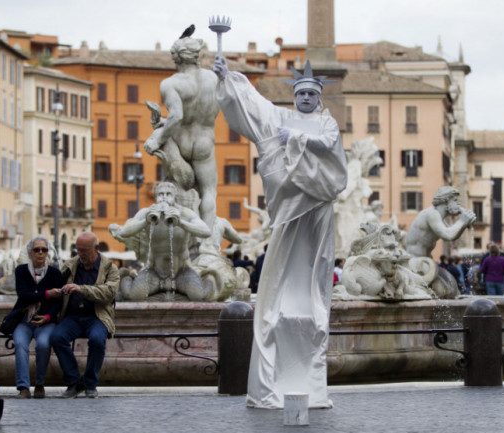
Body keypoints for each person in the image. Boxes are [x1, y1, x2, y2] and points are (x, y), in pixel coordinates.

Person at [214, 56, 348, 408]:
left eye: (310, 93)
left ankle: (309, 381)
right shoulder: (280, 118)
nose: (305, 97)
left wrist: (297, 137)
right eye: (300, 92)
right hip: (290, 208)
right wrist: (228, 78)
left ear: (318, 97)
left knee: (313, 263)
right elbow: (254, 107)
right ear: (295, 96)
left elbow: (331, 147)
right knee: (282, 266)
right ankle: (274, 379)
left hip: (316, 204)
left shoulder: (326, 124)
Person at [143, 36, 219, 230]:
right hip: (204, 142)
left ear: (175, 58)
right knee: (209, 192)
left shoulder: (171, 84)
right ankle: (207, 246)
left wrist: (158, 136)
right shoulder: (214, 79)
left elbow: (177, 117)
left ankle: (175, 238)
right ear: (196, 56)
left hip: (180, 142)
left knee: (174, 193)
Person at [109, 182, 212, 301]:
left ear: (174, 197)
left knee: (198, 296)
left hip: (181, 271)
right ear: (156, 197)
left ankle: (208, 279)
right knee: (134, 296)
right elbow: (124, 232)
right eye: (160, 194)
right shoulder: (146, 212)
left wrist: (181, 223)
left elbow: (206, 231)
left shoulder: (185, 213)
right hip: (154, 271)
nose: (164, 197)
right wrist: (146, 221)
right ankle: (127, 278)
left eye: (168, 194)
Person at [50, 232, 119, 398]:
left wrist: (81, 289)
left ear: (96, 248)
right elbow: (55, 283)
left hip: (97, 316)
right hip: (73, 316)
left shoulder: (110, 268)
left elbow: (109, 293)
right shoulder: (70, 265)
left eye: (84, 251)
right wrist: (58, 290)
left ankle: (90, 383)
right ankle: (74, 381)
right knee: (57, 337)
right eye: (78, 250)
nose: (80, 254)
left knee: (97, 340)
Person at [6, 237, 63, 399]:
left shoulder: (54, 273)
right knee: (20, 344)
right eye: (37, 249)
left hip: (45, 321)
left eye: (44, 250)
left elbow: (58, 302)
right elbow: (23, 296)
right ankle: (23, 387)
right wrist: (47, 294)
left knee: (44, 345)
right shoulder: (21, 271)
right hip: (24, 320)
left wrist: (47, 316)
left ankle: (39, 384)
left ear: (47, 253)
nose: (40, 253)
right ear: (30, 253)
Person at [404, 186, 476, 258]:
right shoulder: (432, 214)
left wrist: (464, 224)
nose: (458, 204)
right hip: (414, 258)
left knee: (444, 270)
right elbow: (448, 235)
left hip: (424, 258)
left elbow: (453, 236)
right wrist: (462, 221)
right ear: (446, 200)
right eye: (455, 200)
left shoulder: (440, 219)